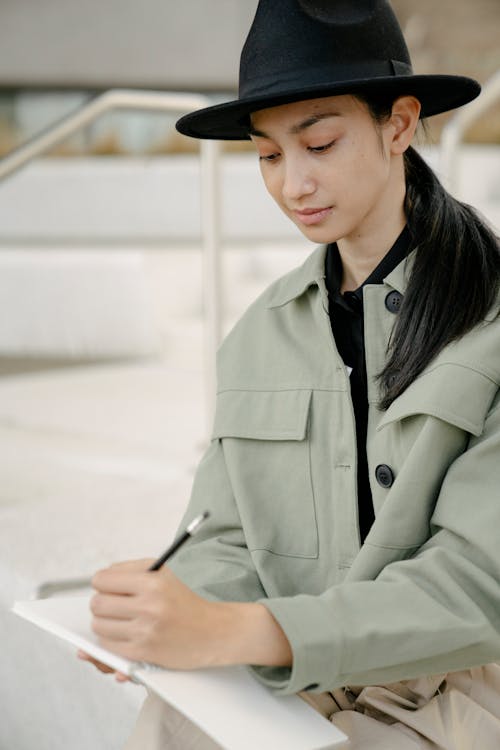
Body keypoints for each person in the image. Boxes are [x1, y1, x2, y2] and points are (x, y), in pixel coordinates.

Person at [83, 1, 500, 747]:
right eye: (270, 156)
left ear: (399, 125)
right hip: (299, 670)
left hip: (464, 684)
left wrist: (235, 630)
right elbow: (224, 536)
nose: (294, 184)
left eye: (321, 143)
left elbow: (477, 588)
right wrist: (167, 614)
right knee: (169, 720)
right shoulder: (261, 333)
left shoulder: (490, 315)